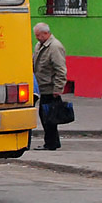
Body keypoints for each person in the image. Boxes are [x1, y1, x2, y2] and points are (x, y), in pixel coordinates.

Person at [32, 22, 68, 151]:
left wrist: (58, 89)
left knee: (49, 117)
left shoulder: (55, 47)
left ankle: (51, 143)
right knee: (47, 116)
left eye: (38, 35)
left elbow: (61, 70)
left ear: (46, 33)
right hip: (41, 86)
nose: (36, 37)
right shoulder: (39, 45)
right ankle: (53, 142)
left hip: (50, 88)